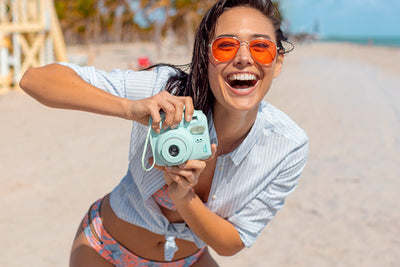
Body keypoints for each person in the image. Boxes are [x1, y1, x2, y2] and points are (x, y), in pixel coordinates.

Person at [19, 0, 309, 266]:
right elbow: (35, 80)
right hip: (105, 248)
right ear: (206, 58)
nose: (244, 58)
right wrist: (130, 108)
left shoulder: (287, 146)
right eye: (225, 46)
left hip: (189, 259)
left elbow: (232, 242)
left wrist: (184, 198)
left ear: (278, 61)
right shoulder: (165, 92)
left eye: (261, 47)